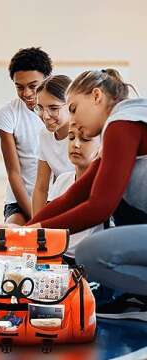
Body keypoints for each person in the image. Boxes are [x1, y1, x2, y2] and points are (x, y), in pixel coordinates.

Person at [25, 69, 147, 319]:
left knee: (92, 254)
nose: (71, 120)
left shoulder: (121, 122)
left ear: (96, 96)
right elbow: (76, 195)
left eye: (73, 108)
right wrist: (23, 231)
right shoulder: (126, 121)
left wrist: (36, 233)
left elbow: (99, 207)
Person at [0, 47, 52, 224]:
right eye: (19, 87)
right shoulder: (7, 114)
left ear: (47, 78)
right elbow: (13, 173)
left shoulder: (60, 111)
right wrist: (35, 217)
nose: (26, 93)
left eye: (33, 86)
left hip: (54, 197)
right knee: (14, 234)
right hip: (20, 200)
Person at [48, 124, 101, 263]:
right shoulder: (62, 180)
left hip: (89, 262)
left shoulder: (105, 188)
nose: (75, 144)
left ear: (102, 147)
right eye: (71, 138)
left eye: (85, 139)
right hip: (57, 259)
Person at [32, 75, 74, 216]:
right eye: (40, 108)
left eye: (53, 108)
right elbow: (41, 187)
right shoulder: (44, 135)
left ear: (71, 105)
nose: (45, 115)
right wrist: (34, 227)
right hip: (61, 201)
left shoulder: (85, 134)